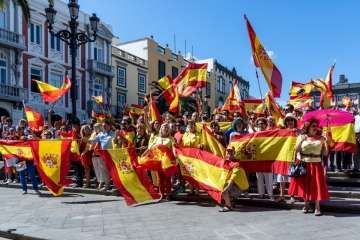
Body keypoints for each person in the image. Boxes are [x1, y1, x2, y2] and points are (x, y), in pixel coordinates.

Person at [288, 118, 330, 216]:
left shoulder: (321, 138)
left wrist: (326, 142)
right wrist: (301, 140)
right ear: (308, 127)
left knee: (317, 186)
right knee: (305, 185)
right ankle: (306, 205)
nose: (316, 128)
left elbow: (325, 153)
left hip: (316, 165)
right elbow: (296, 150)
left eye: (316, 126)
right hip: (304, 164)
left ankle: (317, 207)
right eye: (313, 126)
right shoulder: (302, 136)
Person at [219, 146, 249, 212]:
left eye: (231, 152)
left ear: (234, 153)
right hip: (235, 184)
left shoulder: (237, 163)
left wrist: (226, 188)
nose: (229, 154)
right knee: (222, 188)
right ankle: (231, 201)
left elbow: (233, 177)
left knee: (224, 191)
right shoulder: (226, 162)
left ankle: (228, 206)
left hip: (239, 187)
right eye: (228, 152)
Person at [276, 113, 297, 203]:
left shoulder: (298, 131)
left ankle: (292, 196)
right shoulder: (281, 132)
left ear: (294, 121)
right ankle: (282, 196)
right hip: (283, 157)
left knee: (291, 178)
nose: (290, 122)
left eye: (291, 120)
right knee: (281, 177)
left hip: (293, 157)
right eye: (288, 120)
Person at [90, 120, 113, 191]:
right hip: (103, 154)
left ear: (110, 126)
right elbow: (93, 141)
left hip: (112, 154)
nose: (104, 127)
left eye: (105, 126)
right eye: (103, 126)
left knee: (113, 170)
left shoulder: (113, 133)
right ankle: (107, 185)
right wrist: (85, 140)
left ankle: (116, 186)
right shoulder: (100, 134)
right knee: (104, 170)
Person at [254, 117, 274, 200]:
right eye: (259, 124)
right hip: (258, 158)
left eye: (262, 124)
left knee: (268, 177)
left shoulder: (270, 133)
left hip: (267, 158)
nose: (260, 125)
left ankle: (270, 194)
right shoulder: (255, 135)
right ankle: (261, 193)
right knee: (259, 176)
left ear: (265, 125)